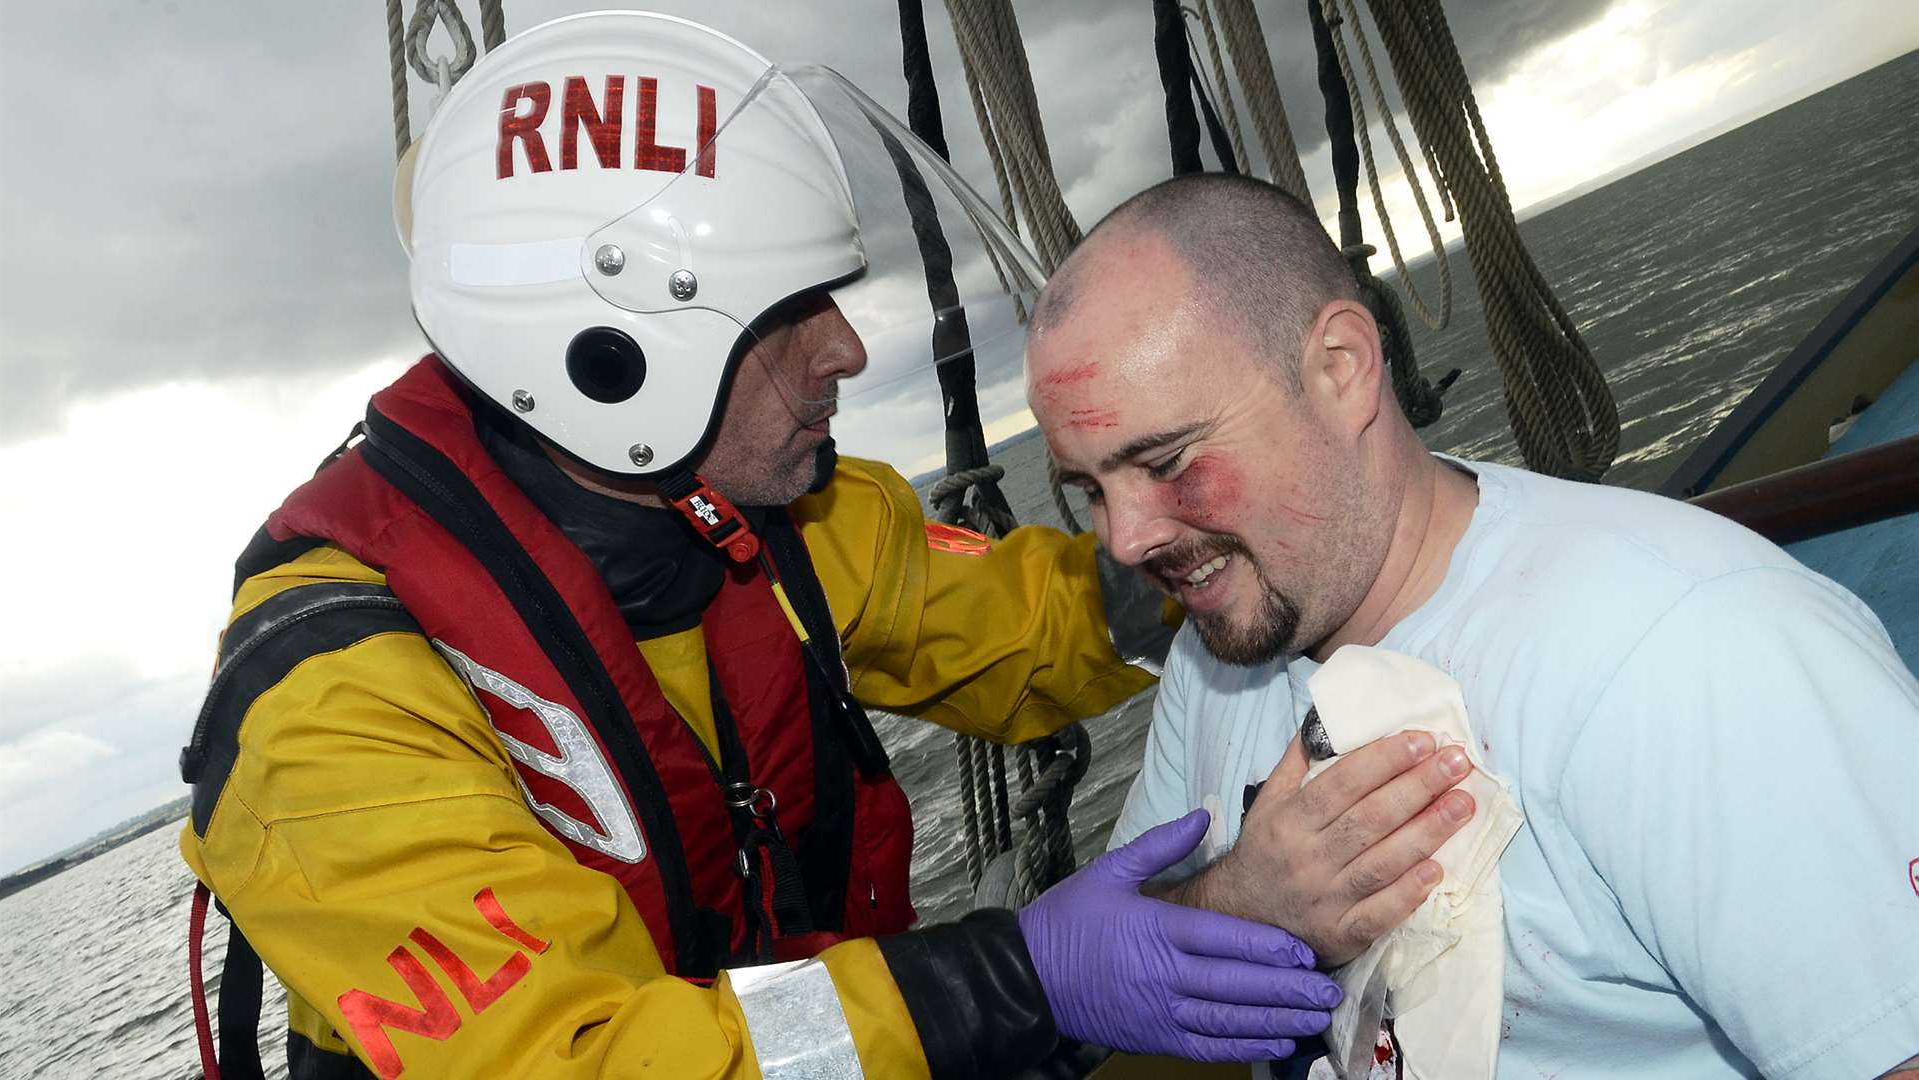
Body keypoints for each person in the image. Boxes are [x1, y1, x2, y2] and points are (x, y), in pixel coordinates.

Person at [173, 14, 1436, 1080]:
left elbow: (1021, 624)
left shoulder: (781, 519)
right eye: (789, 315)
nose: (843, 350)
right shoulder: (327, 712)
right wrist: (1019, 980)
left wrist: (1216, 539)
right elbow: (574, 1057)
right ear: (610, 359)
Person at [1024, 172, 1919, 1080]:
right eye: (1090, 490)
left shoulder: (1690, 656)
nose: (1126, 540)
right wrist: (1248, 904)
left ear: (1341, 369)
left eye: (1168, 459)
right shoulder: (1212, 656)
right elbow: (1127, 930)